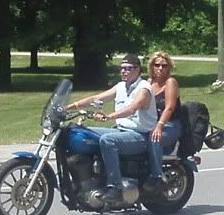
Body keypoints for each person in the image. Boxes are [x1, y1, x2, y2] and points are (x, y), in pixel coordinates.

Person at [66, 54, 157, 203]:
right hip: (121, 131)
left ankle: (115, 188)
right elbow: (96, 99)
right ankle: (87, 179)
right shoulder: (121, 86)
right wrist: (67, 108)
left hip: (140, 136)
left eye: (127, 68)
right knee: (80, 132)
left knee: (107, 140)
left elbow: (133, 108)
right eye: (121, 68)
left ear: (137, 69)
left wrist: (109, 117)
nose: (123, 71)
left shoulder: (144, 88)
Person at [145, 51, 183, 191]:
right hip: (152, 124)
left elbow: (169, 107)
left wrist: (159, 127)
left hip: (171, 125)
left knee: (154, 139)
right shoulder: (149, 82)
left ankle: (157, 177)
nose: (160, 68)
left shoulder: (170, 82)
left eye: (164, 65)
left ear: (169, 67)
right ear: (152, 66)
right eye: (157, 65)